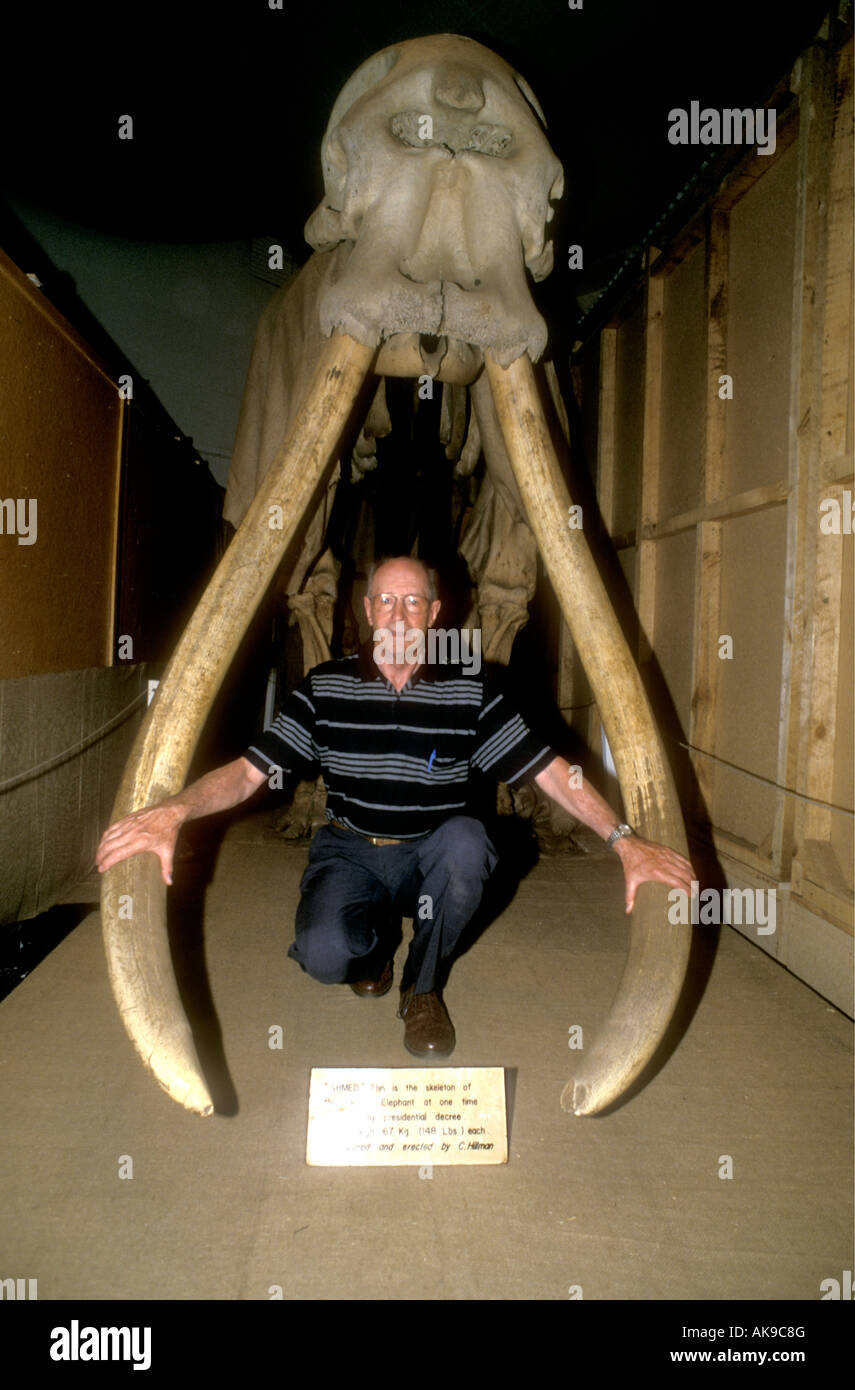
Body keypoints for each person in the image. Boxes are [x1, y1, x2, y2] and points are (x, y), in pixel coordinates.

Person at [96, 555, 694, 1058]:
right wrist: (174, 810)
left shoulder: (471, 691)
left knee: (468, 845)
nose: (399, 616)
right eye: (386, 602)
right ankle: (374, 953)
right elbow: (250, 773)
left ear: (436, 615)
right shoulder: (324, 689)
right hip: (351, 847)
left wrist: (625, 839)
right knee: (327, 956)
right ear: (367, 609)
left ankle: (422, 987)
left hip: (432, 850)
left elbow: (550, 774)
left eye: (414, 604)